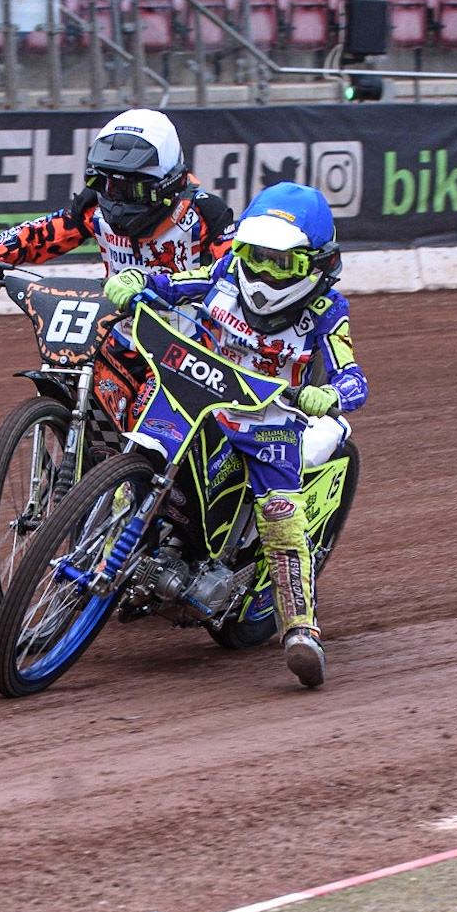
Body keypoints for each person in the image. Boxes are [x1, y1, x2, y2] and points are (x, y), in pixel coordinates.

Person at [103, 182, 367, 687]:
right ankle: (105, 548)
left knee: (281, 516)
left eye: (281, 264)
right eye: (255, 255)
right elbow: (172, 283)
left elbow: (353, 376)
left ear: (317, 264)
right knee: (137, 453)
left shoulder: (327, 311)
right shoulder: (224, 271)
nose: (263, 272)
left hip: (268, 422)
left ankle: (301, 630)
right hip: (194, 391)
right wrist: (136, 280)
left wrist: (330, 394)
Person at [0, 108, 233, 293]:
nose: (115, 197)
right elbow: (40, 234)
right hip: (116, 332)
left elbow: (235, 271)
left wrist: (160, 286)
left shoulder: (205, 213)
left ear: (166, 184)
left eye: (130, 189)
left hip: (190, 342)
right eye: (106, 184)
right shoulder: (94, 208)